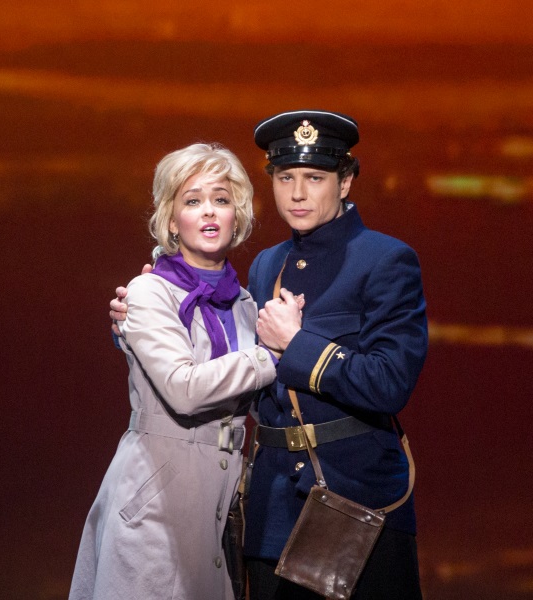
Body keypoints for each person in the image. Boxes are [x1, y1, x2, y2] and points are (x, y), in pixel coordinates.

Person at [110, 110, 428, 599]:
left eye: (314, 178)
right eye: (285, 178)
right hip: (272, 509)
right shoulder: (266, 265)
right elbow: (226, 360)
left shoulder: (386, 260)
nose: (298, 193)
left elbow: (389, 384)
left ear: (345, 182)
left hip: (357, 504)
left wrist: (297, 346)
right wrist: (137, 325)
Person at [70, 142, 302, 600]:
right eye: (193, 201)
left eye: (221, 199)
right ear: (172, 221)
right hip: (155, 502)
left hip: (218, 508)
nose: (209, 211)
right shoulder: (149, 291)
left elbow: (250, 399)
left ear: (237, 215)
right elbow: (184, 389)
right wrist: (272, 354)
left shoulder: (245, 304)